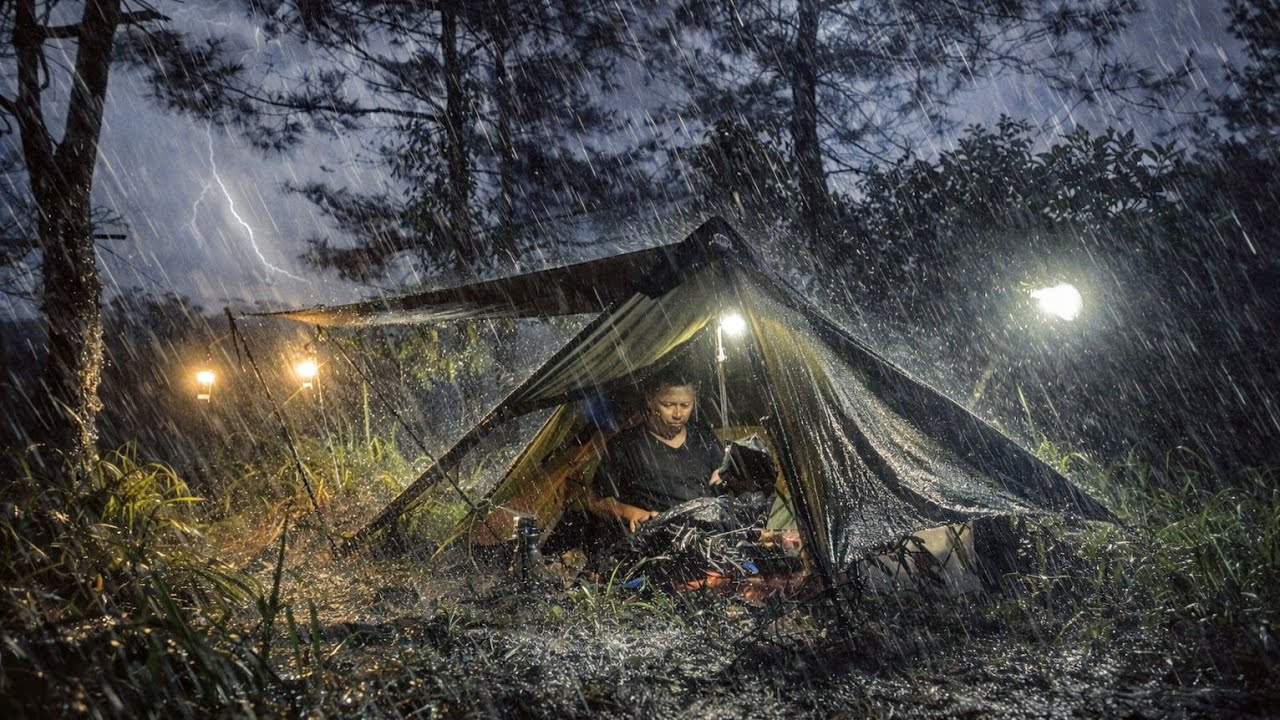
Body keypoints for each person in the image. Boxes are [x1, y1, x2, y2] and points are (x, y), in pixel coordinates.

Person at [589, 368, 726, 532]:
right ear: (649, 399)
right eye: (668, 405)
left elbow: (724, 475)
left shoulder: (703, 436)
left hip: (709, 533)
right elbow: (596, 501)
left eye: (685, 405)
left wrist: (725, 475)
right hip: (657, 539)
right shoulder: (624, 445)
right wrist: (632, 513)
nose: (678, 414)